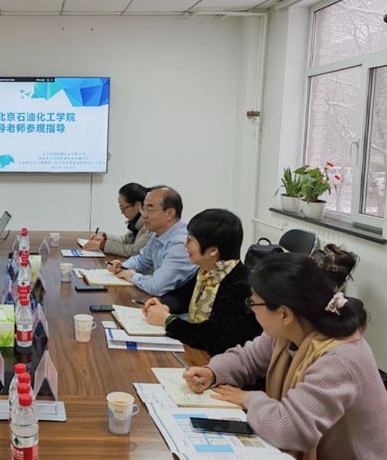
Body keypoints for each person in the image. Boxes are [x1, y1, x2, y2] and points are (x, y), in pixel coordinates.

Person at [183, 254, 387, 460]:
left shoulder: (338, 358)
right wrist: (212, 372)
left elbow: (289, 430)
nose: (251, 309)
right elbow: (247, 359)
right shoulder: (293, 328)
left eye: (254, 302)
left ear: (284, 314)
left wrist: (249, 398)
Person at [141, 209, 262, 355]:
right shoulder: (206, 271)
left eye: (190, 240)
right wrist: (164, 306)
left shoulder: (241, 286)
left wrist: (167, 320)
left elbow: (214, 337)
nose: (185, 244)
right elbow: (183, 295)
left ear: (213, 251)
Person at [107, 186, 198, 309]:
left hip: (179, 311)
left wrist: (132, 276)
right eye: (143, 209)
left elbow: (157, 286)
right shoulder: (158, 234)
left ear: (170, 213)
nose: (143, 215)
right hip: (162, 303)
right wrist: (122, 266)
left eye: (150, 210)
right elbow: (142, 260)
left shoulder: (181, 243)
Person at [83, 182, 152, 258]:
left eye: (123, 208)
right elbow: (127, 239)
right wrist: (104, 238)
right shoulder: (137, 222)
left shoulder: (150, 224)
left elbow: (134, 250)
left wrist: (103, 245)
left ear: (137, 205)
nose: (122, 212)